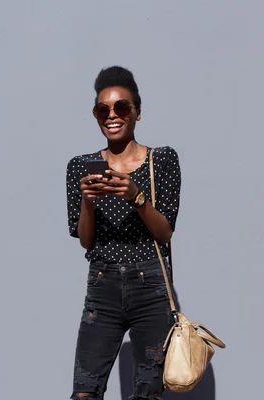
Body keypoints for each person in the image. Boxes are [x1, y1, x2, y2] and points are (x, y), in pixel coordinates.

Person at [66, 66, 181, 400]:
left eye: (122, 108)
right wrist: (88, 201)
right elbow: (86, 240)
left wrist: (136, 196)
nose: (112, 115)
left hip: (151, 286)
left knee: (147, 393)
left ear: (137, 113)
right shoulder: (80, 166)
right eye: (103, 109)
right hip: (103, 285)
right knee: (84, 392)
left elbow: (165, 233)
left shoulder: (162, 161)